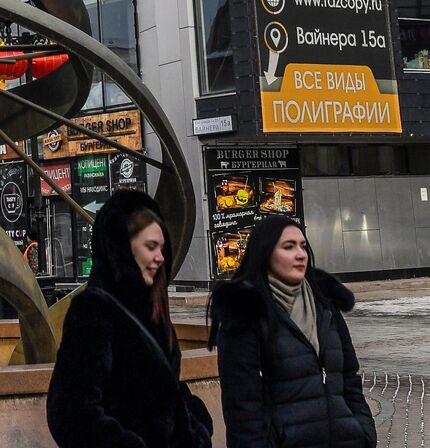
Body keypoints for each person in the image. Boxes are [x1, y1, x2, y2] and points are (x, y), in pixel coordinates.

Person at [46, 188, 212, 448]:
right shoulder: (94, 309)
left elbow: (165, 390)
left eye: (162, 248)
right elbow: (70, 410)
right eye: (150, 247)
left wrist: (195, 429)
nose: (160, 257)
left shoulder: (151, 311)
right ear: (122, 246)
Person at [210, 215, 375, 448]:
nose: (300, 254)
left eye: (303, 246)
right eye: (289, 247)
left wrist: (363, 430)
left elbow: (349, 376)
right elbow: (242, 409)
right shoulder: (246, 312)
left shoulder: (324, 304)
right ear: (265, 253)